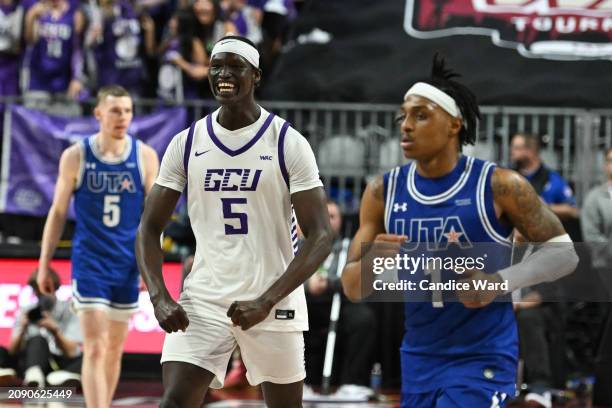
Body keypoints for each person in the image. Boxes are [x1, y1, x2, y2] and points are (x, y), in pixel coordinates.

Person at [341, 55, 578, 408]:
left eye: (420, 115)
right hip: (418, 355)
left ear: (454, 125)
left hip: (482, 356)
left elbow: (564, 253)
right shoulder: (382, 191)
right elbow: (352, 288)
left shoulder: (500, 185)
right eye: (402, 116)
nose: (405, 126)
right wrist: (373, 264)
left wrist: (497, 282)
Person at [136, 35, 332, 408]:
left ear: (255, 75)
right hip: (205, 298)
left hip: (273, 299)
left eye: (234, 66)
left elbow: (322, 235)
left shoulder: (287, 142)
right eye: (216, 66)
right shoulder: (187, 142)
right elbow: (148, 228)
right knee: (174, 401)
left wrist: (267, 299)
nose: (223, 74)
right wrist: (159, 297)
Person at [36, 85, 159, 407]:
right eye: (116, 110)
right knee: (94, 346)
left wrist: (152, 268)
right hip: (90, 261)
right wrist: (43, 262)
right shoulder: (76, 156)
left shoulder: (144, 156)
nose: (123, 117)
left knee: (114, 349)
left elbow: (154, 218)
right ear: (99, 113)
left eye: (128, 111)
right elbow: (59, 211)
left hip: (127, 263)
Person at [304, 199, 376, 387]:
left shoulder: (350, 247)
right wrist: (307, 285)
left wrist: (329, 283)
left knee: (363, 319)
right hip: (306, 302)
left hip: (338, 300)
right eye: (324, 216)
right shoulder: (301, 245)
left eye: (333, 216)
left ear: (341, 221)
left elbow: (359, 277)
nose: (328, 221)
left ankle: (353, 384)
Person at [0, 269, 82, 388]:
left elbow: (72, 352)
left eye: (46, 288)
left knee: (91, 356)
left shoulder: (70, 310)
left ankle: (64, 376)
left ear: (56, 287)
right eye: (37, 289)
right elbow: (13, 351)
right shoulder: (27, 312)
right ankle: (33, 375)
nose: (42, 293)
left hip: (61, 361)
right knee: (36, 340)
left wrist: (55, 331)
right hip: (30, 363)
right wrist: (23, 329)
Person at [510, 132, 578, 220]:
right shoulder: (509, 176)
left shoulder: (553, 179)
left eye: (516, 148)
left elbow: (572, 210)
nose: (512, 151)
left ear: (530, 151)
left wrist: (543, 207)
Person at [581, 147, 612, 299]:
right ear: (606, 165)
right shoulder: (595, 198)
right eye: (611, 161)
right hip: (606, 267)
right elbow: (592, 237)